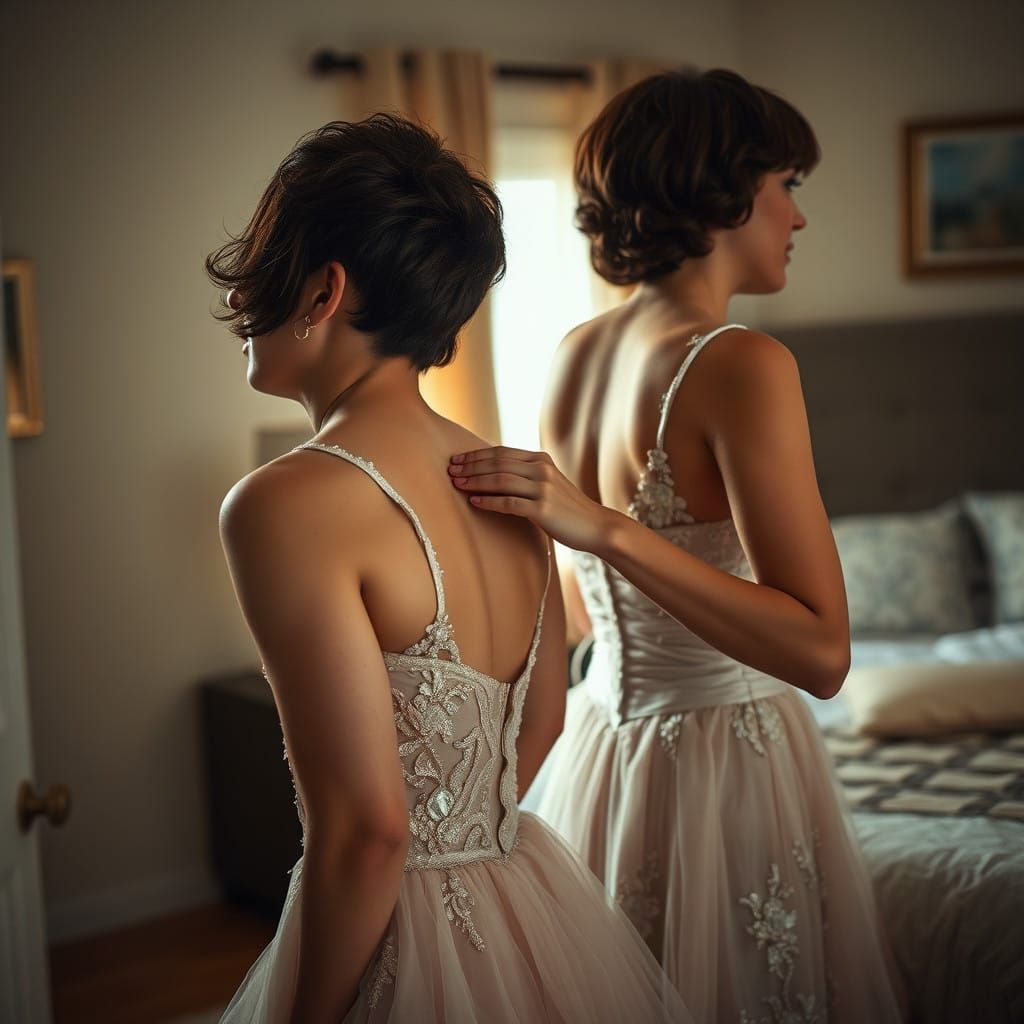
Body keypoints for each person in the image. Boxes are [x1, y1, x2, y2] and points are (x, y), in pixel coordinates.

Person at [206, 114, 689, 1023]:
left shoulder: (284, 504)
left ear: (324, 290)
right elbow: (536, 730)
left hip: (401, 935)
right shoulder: (511, 485)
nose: (239, 304)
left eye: (263, 273)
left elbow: (369, 831)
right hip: (524, 905)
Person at [448, 70, 906, 1022]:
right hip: (724, 763)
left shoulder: (576, 351)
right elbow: (822, 653)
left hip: (605, 751)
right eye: (789, 184)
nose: (798, 217)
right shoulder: (741, 362)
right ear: (726, 188)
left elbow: (570, 605)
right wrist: (611, 529)